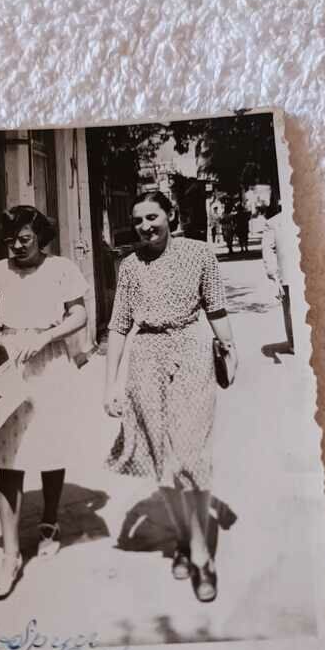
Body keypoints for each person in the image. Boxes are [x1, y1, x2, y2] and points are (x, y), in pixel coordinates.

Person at [103, 191, 237, 603]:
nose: (145, 226)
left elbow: (216, 309)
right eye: (138, 219)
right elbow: (119, 326)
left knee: (192, 456)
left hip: (193, 355)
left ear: (171, 215)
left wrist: (231, 352)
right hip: (146, 363)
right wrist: (110, 383)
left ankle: (200, 554)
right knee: (164, 461)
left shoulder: (200, 254)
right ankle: (183, 539)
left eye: (153, 217)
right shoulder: (129, 266)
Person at [0, 205, 88, 599]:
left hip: (50, 363)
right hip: (7, 368)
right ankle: (10, 556)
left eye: (24, 239)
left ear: (40, 237)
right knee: (8, 458)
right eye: (10, 240)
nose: (16, 247)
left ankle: (50, 524)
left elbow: (80, 316)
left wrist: (46, 337)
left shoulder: (61, 270)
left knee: (50, 448)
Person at [261, 209, 295, 359]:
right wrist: (274, 275)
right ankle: (294, 342)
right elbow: (267, 250)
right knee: (290, 310)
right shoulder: (273, 223)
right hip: (288, 274)